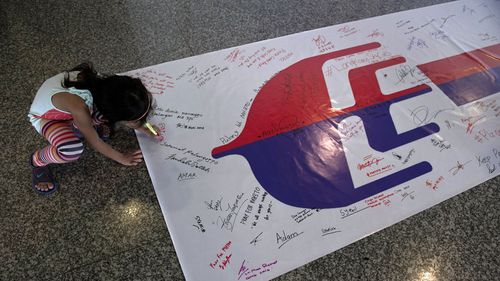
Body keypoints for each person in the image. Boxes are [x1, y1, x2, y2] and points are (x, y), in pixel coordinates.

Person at [28, 62, 161, 195]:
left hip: (72, 111)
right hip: (47, 118)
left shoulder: (110, 87)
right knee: (71, 149)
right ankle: (37, 160)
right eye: (131, 121)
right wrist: (122, 157)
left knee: (99, 115)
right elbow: (94, 141)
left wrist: (142, 126)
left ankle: (79, 127)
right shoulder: (79, 108)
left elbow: (126, 104)